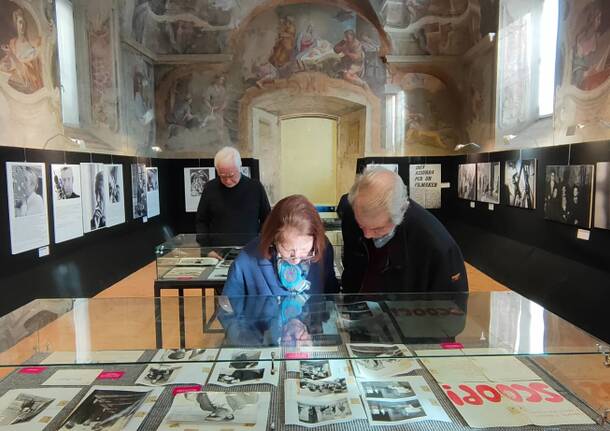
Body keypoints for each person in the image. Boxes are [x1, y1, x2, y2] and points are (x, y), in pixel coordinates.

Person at [341, 167, 468, 293]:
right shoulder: (351, 211)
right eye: (361, 225)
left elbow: (452, 304)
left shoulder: (437, 245)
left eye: (377, 228)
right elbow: (351, 269)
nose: (367, 235)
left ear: (400, 214)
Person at [222, 194, 340, 296]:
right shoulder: (247, 260)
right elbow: (229, 311)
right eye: (288, 250)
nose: (296, 259)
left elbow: (330, 295)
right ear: (273, 238)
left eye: (305, 250)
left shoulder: (323, 248)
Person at [196, 147, 270, 239]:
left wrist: (261, 242)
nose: (228, 181)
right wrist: (207, 249)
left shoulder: (255, 187)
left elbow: (267, 219)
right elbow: (201, 221)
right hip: (217, 250)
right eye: (222, 176)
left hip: (250, 249)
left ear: (240, 167)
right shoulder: (210, 188)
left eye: (231, 175)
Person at [0, 8, 43, 94]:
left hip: (28, 83)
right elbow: (10, 63)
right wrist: (6, 60)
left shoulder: (32, 44)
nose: (22, 26)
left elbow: (30, 71)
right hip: (14, 78)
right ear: (16, 24)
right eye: (20, 22)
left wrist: (11, 55)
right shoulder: (13, 42)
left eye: (23, 23)